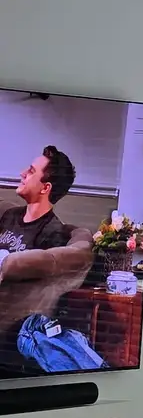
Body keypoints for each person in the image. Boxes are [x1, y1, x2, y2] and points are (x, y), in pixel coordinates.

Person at [0, 147, 96, 375]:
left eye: (31, 171)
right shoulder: (9, 216)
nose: (23, 173)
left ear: (45, 187)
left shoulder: (53, 233)